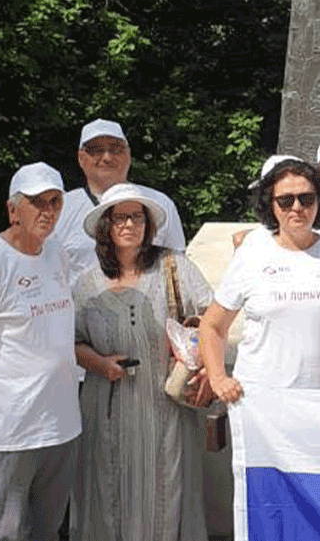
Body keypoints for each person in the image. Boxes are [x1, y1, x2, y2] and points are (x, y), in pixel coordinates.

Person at [71, 183, 212, 540]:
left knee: (167, 485)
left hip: (164, 404)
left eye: (137, 216)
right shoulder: (86, 284)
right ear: (106, 225)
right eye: (121, 216)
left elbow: (213, 317)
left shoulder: (174, 267)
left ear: (148, 224)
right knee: (109, 487)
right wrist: (100, 364)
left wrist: (201, 354)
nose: (130, 224)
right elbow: (70, 343)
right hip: (108, 405)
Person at [201, 158, 320, 403]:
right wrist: (218, 378)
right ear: (271, 205)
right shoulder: (250, 254)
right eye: (286, 200)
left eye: (306, 198)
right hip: (259, 403)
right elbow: (212, 326)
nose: (297, 207)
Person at [0, 163, 80, 540]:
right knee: (3, 533)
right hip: (10, 429)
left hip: (62, 424)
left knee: (47, 532)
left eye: (55, 202)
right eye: (37, 202)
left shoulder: (57, 253)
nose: (48, 211)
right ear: (12, 210)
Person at [50, 118, 186, 282]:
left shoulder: (159, 204)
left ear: (128, 155)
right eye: (96, 150)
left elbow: (178, 268)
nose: (107, 157)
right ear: (81, 158)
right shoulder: (60, 209)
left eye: (116, 149)